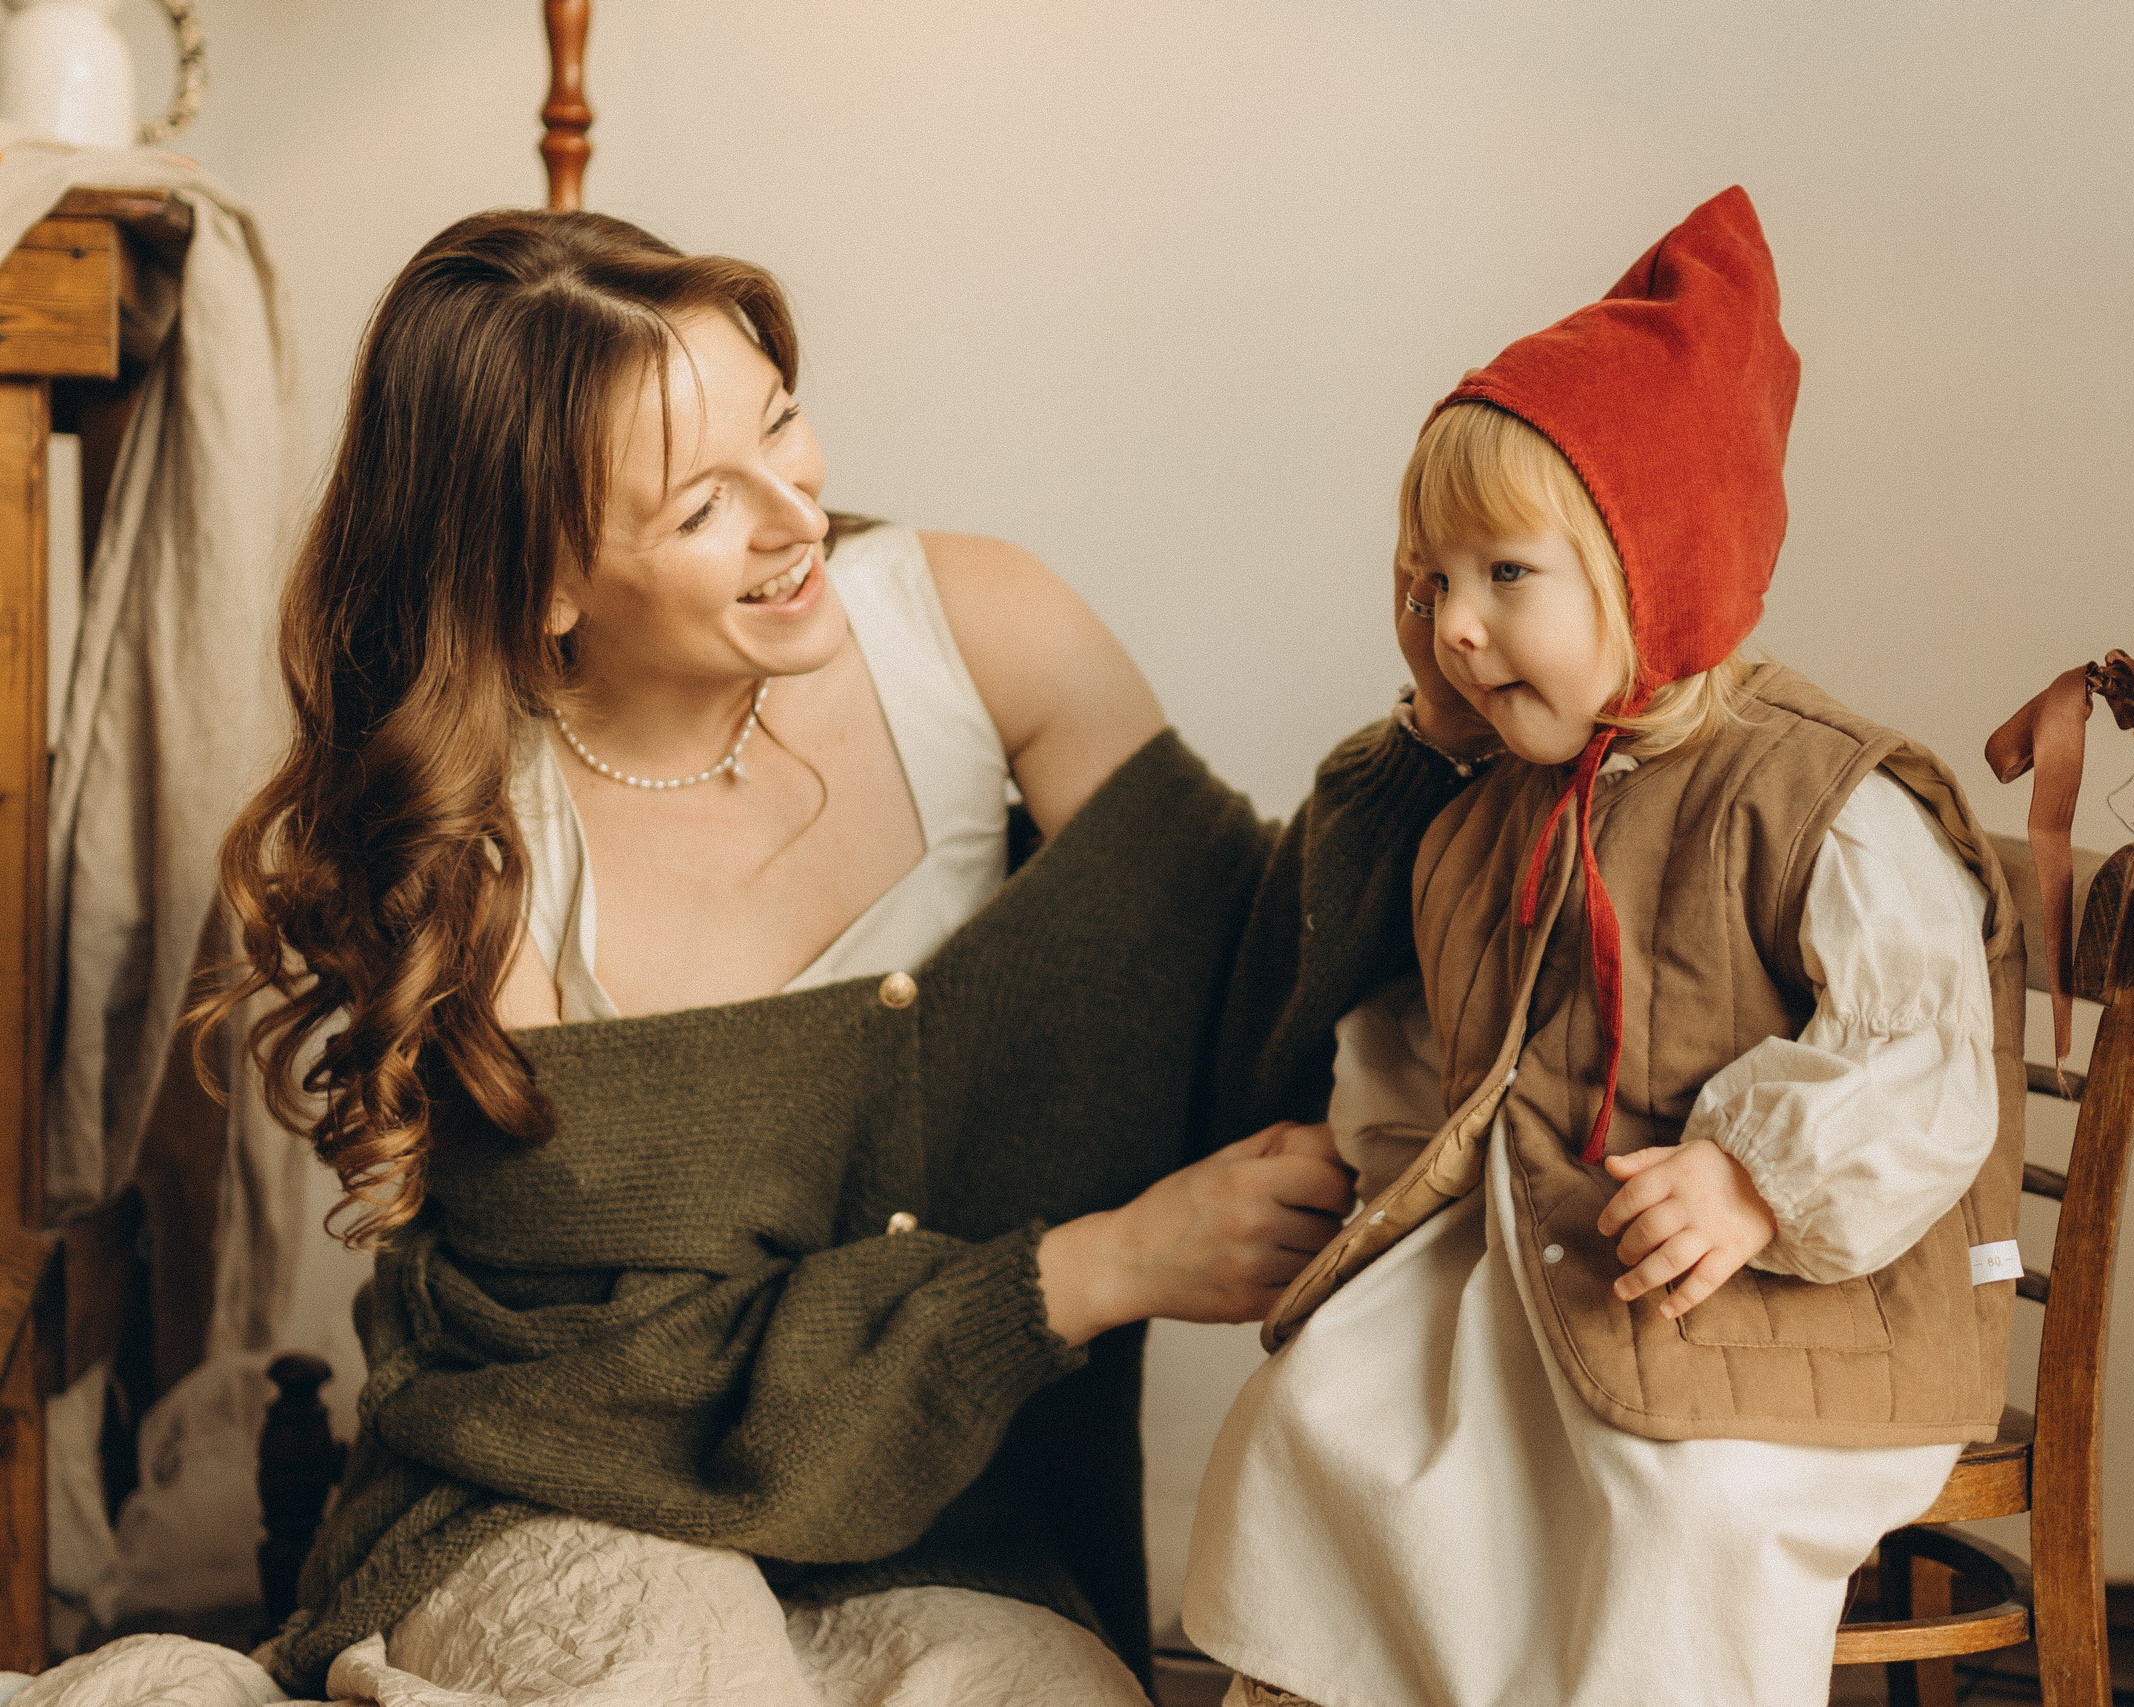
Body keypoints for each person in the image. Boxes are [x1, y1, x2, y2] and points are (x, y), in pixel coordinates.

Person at [16, 209, 1481, 1707]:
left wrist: (1440, 727)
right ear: (543, 585)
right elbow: (617, 1385)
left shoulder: (977, 633)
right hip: (549, 1496)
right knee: (673, 1680)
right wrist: (1082, 1274)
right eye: (703, 506)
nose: (797, 519)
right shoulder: (476, 854)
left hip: (956, 1534)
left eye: (781, 422)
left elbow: (1252, 1000)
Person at [1181, 188, 2032, 1707]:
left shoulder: (1818, 795)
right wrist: (1387, 1169)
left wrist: (1756, 1178)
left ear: (1655, 570)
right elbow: (1426, 1032)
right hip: (1562, 1257)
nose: (1455, 625)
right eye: (1431, 582)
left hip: (1792, 1292)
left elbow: (1920, 1054)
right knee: (1338, 1414)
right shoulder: (1496, 807)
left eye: (1505, 576)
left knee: (1673, 1501)